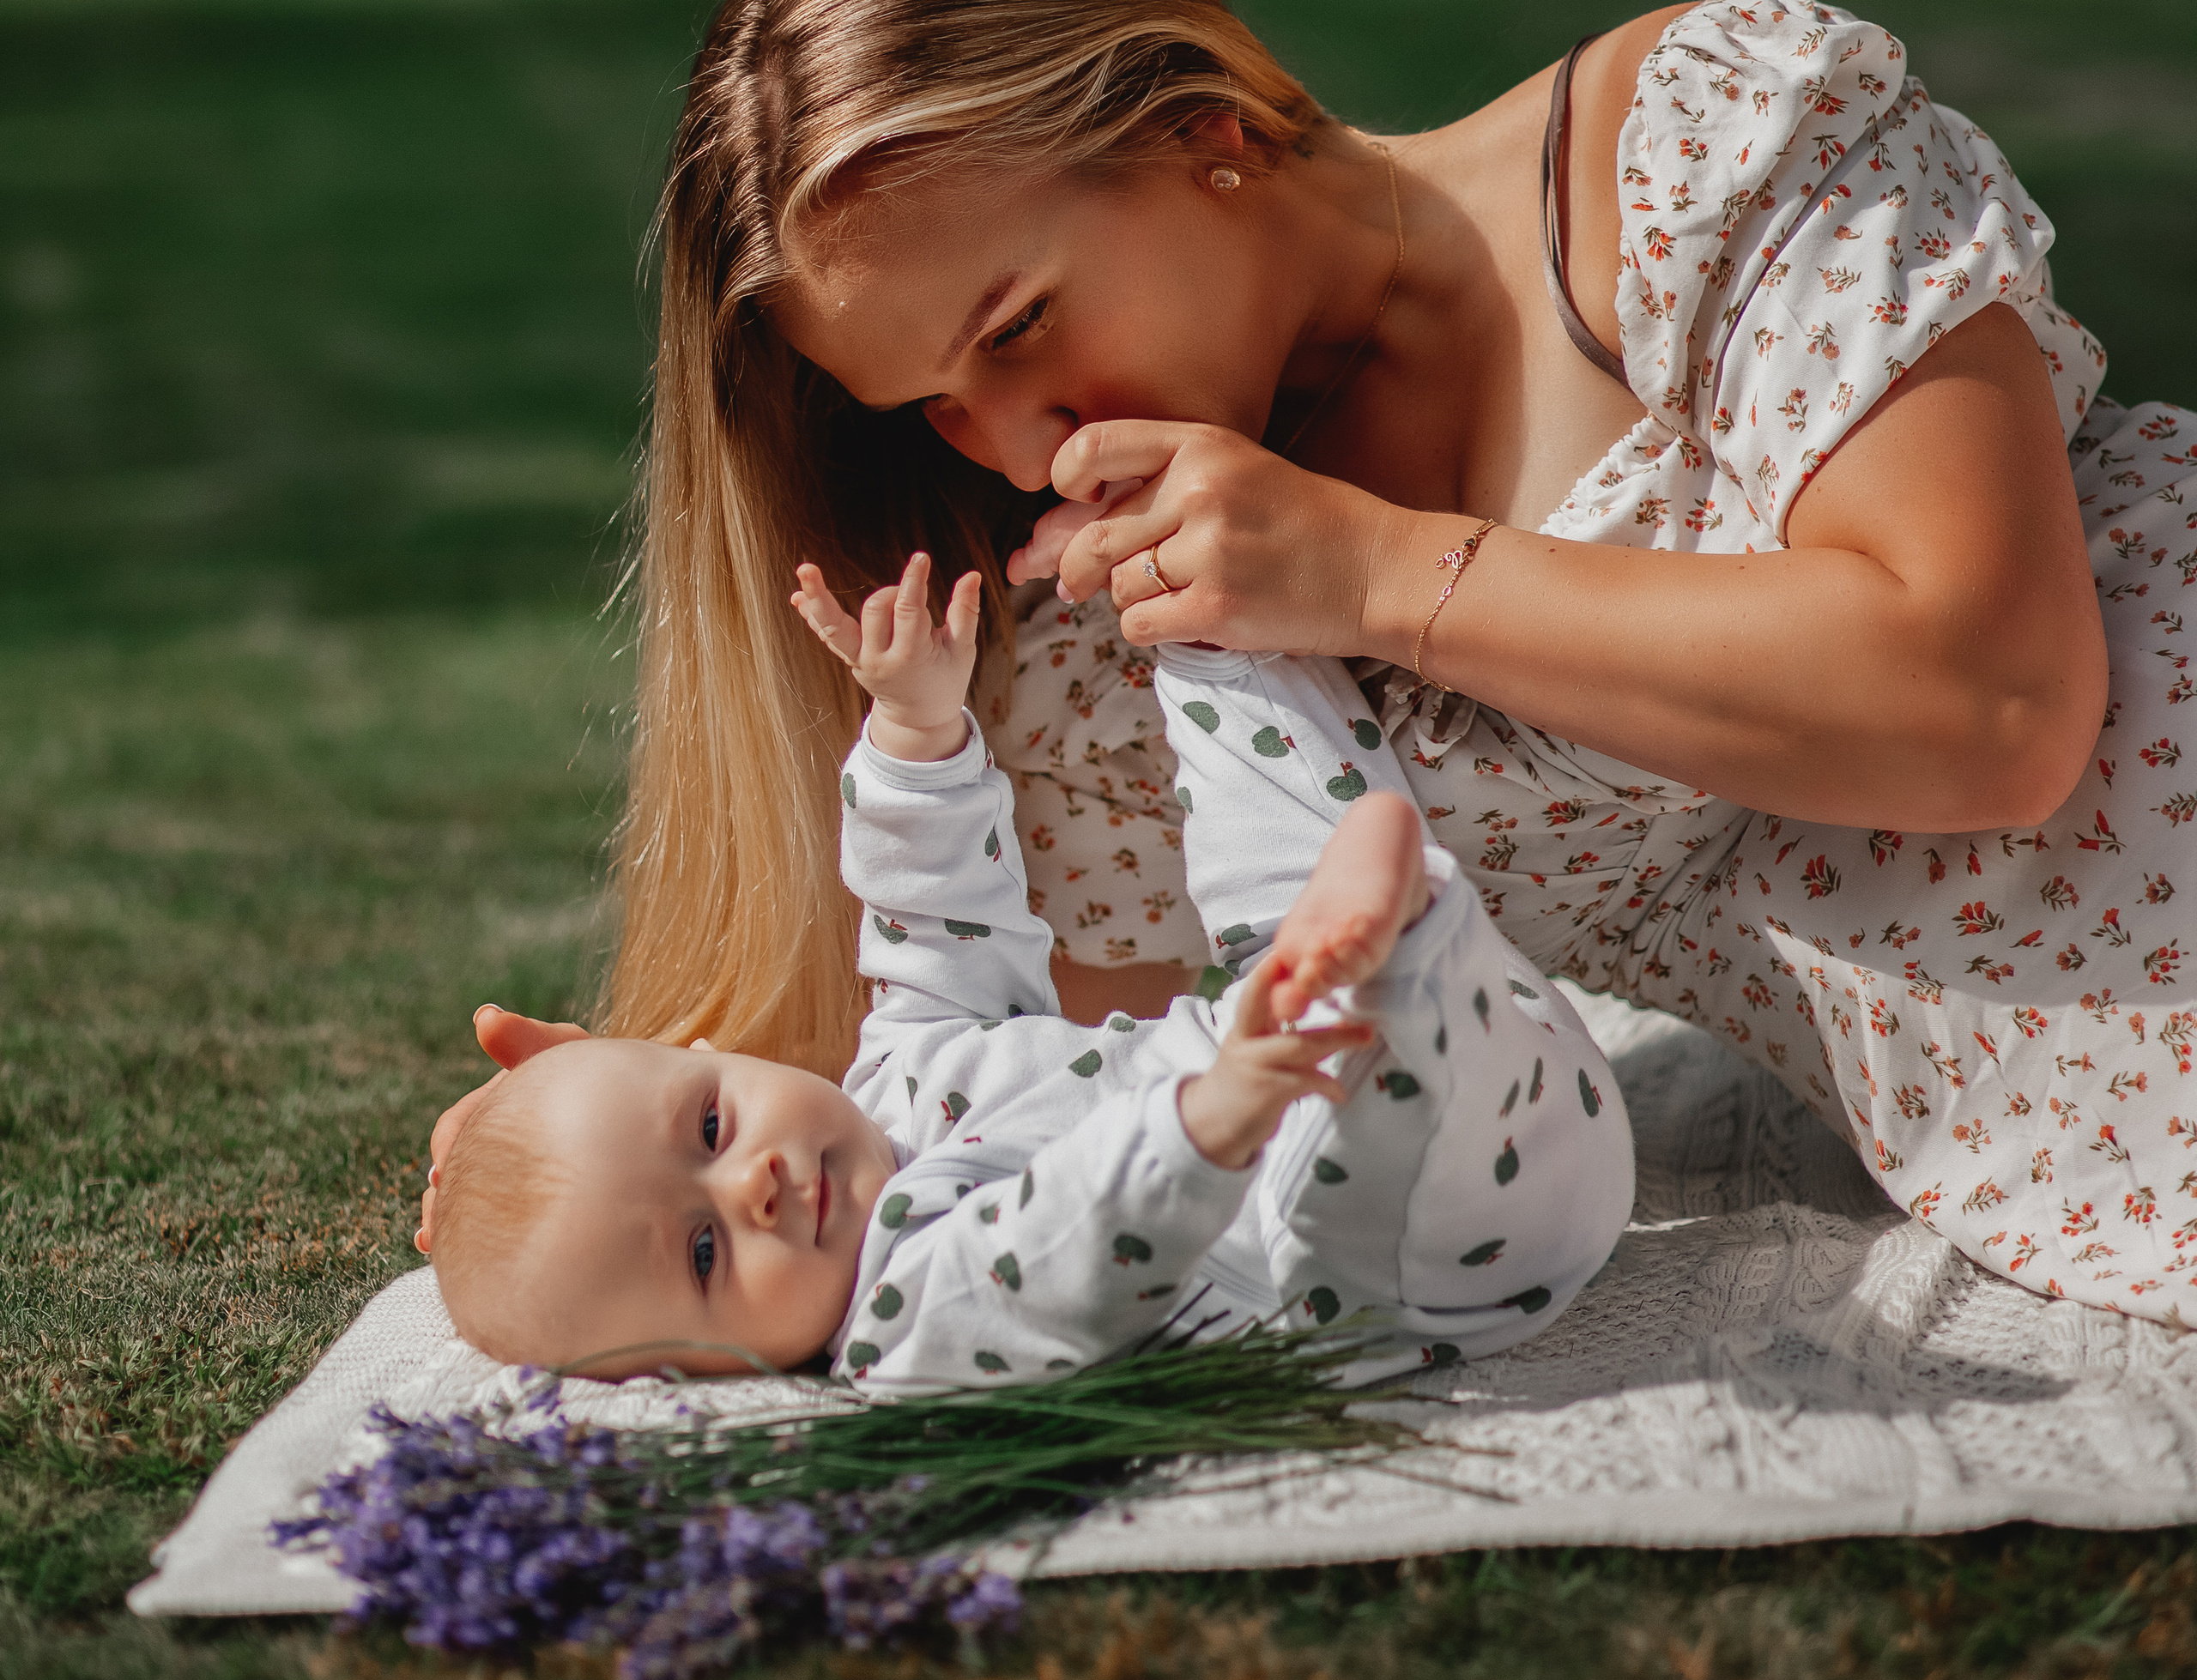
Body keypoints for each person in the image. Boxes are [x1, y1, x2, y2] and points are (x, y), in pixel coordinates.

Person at [446, 0, 2197, 1325]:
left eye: (1016, 330)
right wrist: (613, 1131)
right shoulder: (1124, 639)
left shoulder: (1686, 150)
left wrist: (1372, 576)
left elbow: (1995, 707)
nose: (1013, 449)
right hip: (2068, 1120)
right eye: (933, 410)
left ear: (1201, 125)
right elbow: (1043, 1138)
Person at [424, 555, 1631, 1386]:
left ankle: (1214, 623)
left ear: (711, 1062)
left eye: (708, 1124)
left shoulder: (891, 1084)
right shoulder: (907, 1322)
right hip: (1414, 1244)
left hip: (1378, 1066)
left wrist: (916, 734)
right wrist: (1206, 1116)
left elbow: (935, 927)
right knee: (1331, 1130)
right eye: (703, 1256)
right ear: (693, 1376)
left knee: (1229, 701)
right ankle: (1398, 945)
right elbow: (1073, 1242)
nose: (757, 1187)